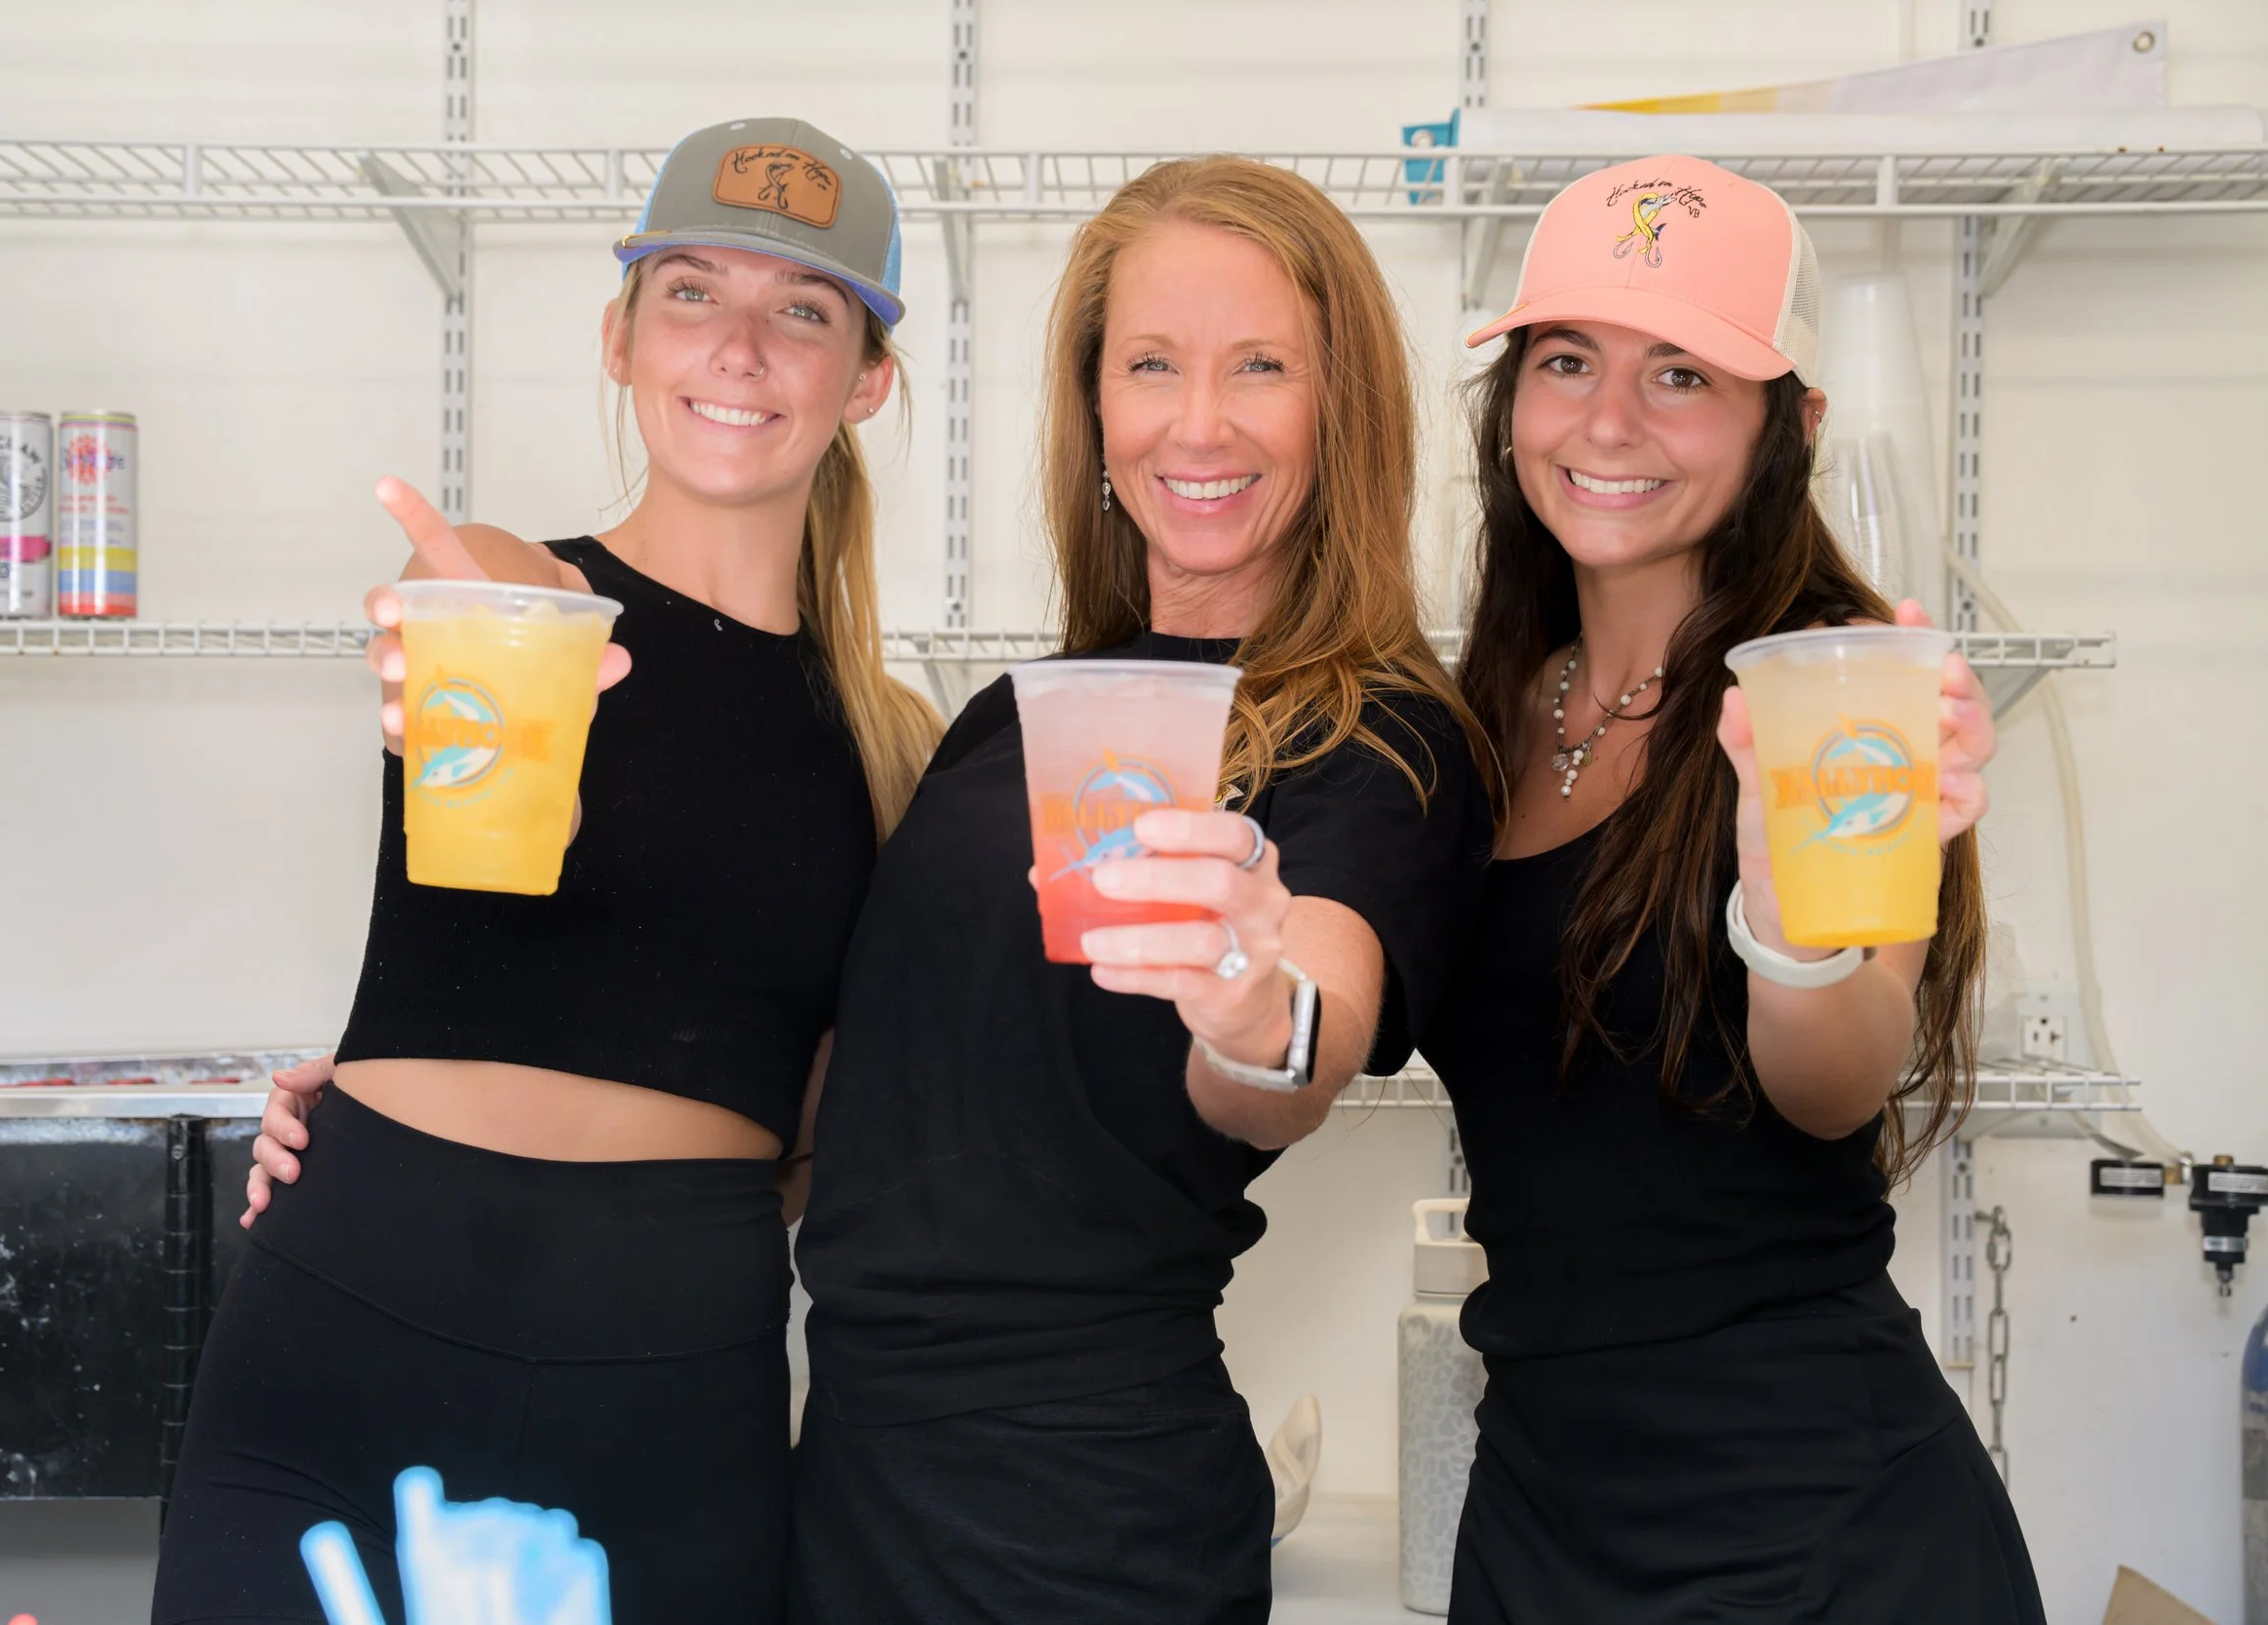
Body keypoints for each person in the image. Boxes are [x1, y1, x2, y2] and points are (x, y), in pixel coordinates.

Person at [154, 117, 939, 1624]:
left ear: (869, 378)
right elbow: (477, 681)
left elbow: (822, 1155)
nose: (741, 348)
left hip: (670, 1385)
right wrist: (465, 693)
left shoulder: (888, 751)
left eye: (804, 311)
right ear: (622, 333)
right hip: (354, 1316)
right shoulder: (519, 591)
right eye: (693, 293)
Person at [784, 156, 1485, 1624]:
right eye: (1151, 363)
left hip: (1083, 1514)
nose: (1200, 420)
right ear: (1096, 410)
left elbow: (1303, 1040)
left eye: (1263, 367)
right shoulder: (1016, 720)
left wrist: (1249, 1008)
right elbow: (871, 1085)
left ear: (1338, 411)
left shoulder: (1379, 730)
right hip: (848, 1471)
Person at [1427, 155, 2041, 1621]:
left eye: (1684, 373)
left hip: (1813, 1523)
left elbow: (1838, 1082)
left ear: (1792, 425)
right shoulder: (1494, 703)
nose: (1609, 420)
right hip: (1541, 1505)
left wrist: (1780, 899)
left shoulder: (1840, 701)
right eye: (1565, 358)